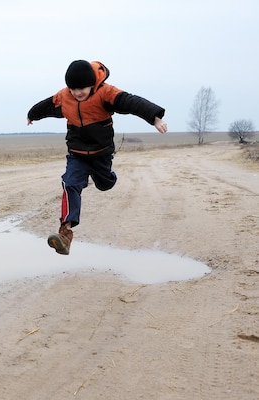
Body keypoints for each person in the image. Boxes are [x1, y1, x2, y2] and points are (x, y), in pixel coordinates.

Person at [27, 60, 167, 255]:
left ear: (92, 83)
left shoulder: (105, 93)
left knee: (105, 184)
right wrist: (32, 115)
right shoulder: (65, 96)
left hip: (101, 155)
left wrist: (154, 117)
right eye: (73, 88)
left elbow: (131, 102)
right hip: (77, 155)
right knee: (70, 184)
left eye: (82, 88)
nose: (77, 93)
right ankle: (65, 232)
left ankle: (109, 177)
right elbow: (48, 105)